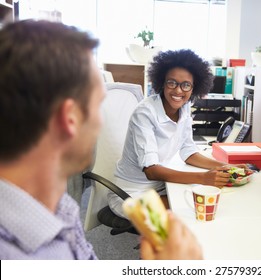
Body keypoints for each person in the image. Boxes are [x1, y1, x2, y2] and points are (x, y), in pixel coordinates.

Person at [0, 20, 202, 260]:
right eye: (98, 106)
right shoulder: (22, 255)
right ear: (69, 119)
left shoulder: (58, 211)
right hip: (134, 192)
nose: (102, 121)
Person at [109, 49, 247, 218]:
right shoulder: (145, 113)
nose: (178, 91)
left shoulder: (185, 107)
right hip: (132, 194)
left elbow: (188, 152)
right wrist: (203, 178)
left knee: (212, 202)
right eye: (172, 83)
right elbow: (151, 170)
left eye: (186, 85)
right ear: (162, 82)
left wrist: (224, 167)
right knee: (192, 210)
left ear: (193, 87)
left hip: (160, 186)